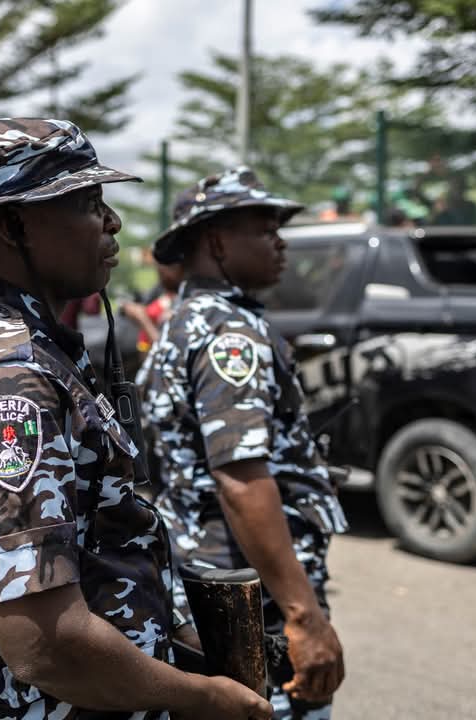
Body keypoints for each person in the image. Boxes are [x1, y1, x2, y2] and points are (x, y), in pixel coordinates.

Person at [0, 118, 272, 720]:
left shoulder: (35, 349)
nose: (112, 222)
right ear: (15, 225)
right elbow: (45, 644)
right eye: (89, 204)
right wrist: (201, 698)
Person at [138, 167, 348, 720]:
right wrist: (303, 616)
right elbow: (241, 478)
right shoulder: (230, 335)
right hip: (250, 592)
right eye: (265, 229)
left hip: (210, 579)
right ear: (216, 242)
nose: (280, 242)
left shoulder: (183, 322)